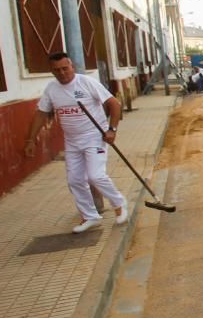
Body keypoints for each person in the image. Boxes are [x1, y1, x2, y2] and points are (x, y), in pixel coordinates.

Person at [24, 52, 129, 233]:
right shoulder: (51, 89)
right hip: (72, 141)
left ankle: (119, 203)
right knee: (75, 180)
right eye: (57, 70)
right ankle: (90, 216)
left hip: (94, 137)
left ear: (72, 66)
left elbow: (114, 104)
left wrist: (112, 130)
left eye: (65, 68)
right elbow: (41, 114)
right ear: (52, 71)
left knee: (95, 176)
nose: (62, 73)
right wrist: (31, 139)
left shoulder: (86, 82)